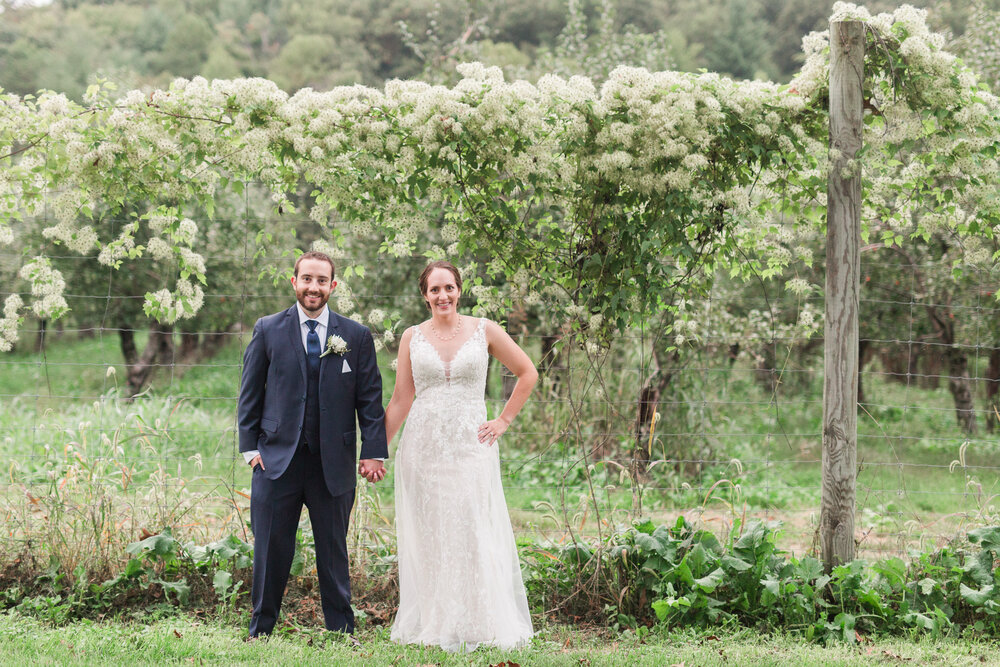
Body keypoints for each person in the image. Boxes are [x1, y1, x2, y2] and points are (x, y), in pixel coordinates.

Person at [384, 260, 537, 652]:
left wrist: (503, 420)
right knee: (432, 535)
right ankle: (439, 621)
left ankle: (479, 620)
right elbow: (402, 398)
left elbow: (527, 372)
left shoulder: (483, 329)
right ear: (424, 295)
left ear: (459, 289)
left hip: (472, 447)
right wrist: (374, 451)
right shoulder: (411, 337)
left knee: (471, 528)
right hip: (422, 449)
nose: (443, 296)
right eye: (435, 290)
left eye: (449, 287)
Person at [237, 251, 388, 640]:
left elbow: (370, 399)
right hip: (275, 460)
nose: (313, 287)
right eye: (307, 279)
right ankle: (261, 631)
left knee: (333, 551)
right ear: (294, 282)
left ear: (333, 286)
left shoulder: (354, 336)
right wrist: (250, 449)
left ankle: (340, 630)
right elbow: (250, 392)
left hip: (332, 463)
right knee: (271, 550)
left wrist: (373, 450)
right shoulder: (268, 329)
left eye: (322, 281)